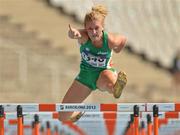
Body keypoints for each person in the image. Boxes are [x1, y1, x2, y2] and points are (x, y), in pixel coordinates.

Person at [59, 5, 127, 122]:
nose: (94, 32)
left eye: (96, 28)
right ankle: (75, 114)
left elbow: (123, 39)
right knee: (62, 117)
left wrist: (116, 50)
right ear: (85, 28)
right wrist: (73, 34)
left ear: (102, 28)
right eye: (90, 29)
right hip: (85, 78)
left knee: (107, 81)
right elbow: (75, 34)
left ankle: (115, 88)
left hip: (103, 74)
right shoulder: (84, 36)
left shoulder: (110, 40)